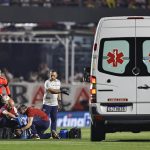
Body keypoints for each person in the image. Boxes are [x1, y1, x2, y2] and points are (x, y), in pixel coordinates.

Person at [42, 70, 62, 139]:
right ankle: (40, 132)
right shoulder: (47, 82)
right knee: (44, 119)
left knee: (54, 119)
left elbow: (58, 93)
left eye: (54, 75)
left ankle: (53, 134)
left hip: (55, 104)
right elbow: (52, 91)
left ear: (56, 76)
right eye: (51, 75)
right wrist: (61, 91)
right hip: (47, 103)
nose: (52, 77)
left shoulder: (58, 82)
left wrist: (59, 102)